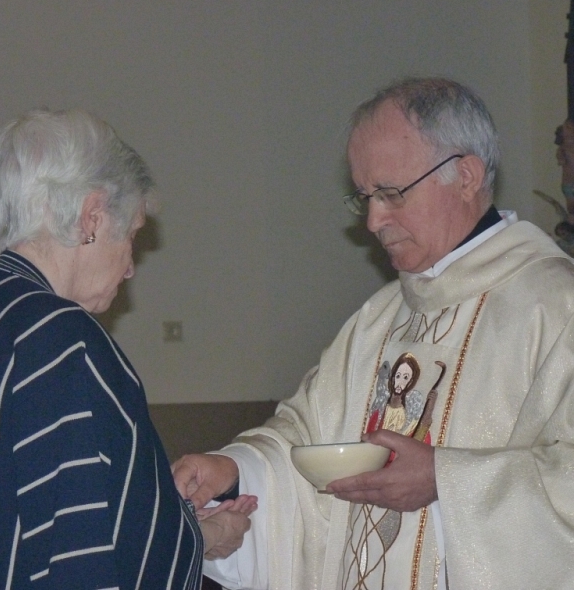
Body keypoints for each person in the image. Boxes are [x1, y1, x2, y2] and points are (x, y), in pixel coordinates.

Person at [174, 77, 574, 589]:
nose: (373, 220)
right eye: (364, 197)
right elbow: (305, 438)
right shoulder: (380, 318)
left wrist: (445, 480)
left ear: (467, 176)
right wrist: (233, 471)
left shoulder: (554, 307)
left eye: (389, 193)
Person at [0, 108, 255, 589]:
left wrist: (181, 522)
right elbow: (92, 552)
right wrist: (202, 538)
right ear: (92, 217)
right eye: (131, 236)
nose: (129, 268)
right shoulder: (64, 342)